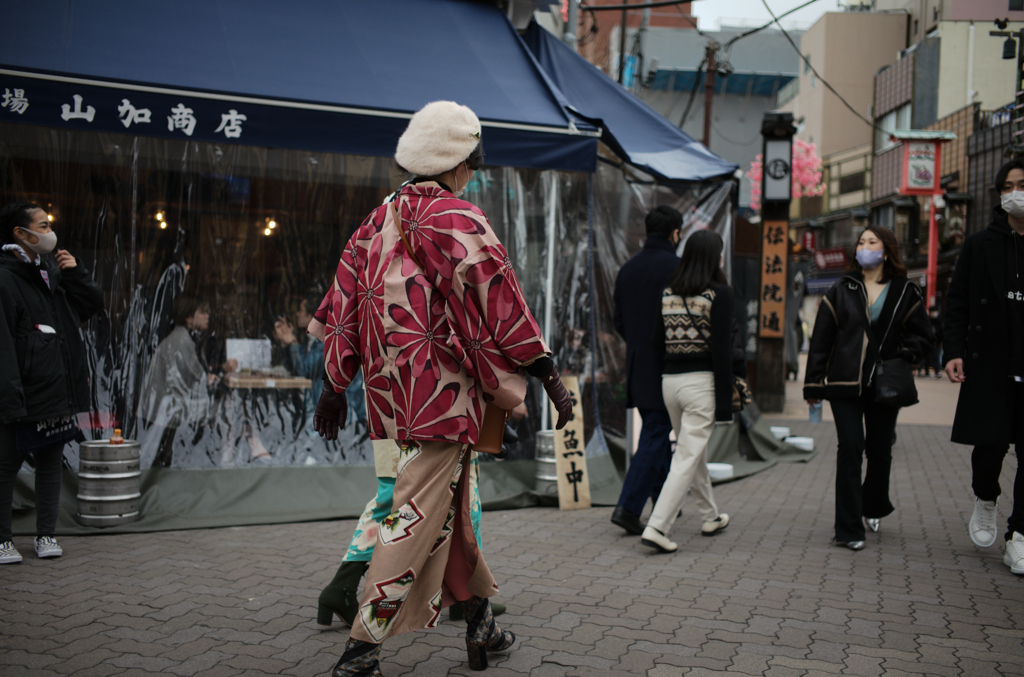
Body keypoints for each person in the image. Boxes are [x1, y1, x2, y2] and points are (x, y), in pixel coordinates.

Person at [307, 101, 573, 675]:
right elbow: (500, 299)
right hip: (445, 394)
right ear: (457, 163)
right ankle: (361, 651)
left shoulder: (377, 218)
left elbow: (343, 301)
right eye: (471, 164)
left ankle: (481, 626)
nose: (471, 174)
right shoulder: (459, 218)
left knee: (449, 506)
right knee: (414, 516)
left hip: (391, 393)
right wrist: (548, 374)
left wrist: (334, 383)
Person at [804, 224, 934, 551]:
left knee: (879, 452)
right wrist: (813, 384)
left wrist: (905, 354)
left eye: (872, 242)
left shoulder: (905, 290)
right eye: (861, 242)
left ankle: (873, 504)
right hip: (844, 383)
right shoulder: (842, 288)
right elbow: (821, 339)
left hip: (884, 384)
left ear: (886, 251)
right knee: (850, 448)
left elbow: (923, 335)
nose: (864, 247)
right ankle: (848, 528)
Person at [0, 202, 104, 564]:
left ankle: (46, 534)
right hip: (22, 394)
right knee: (6, 467)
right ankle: (3, 539)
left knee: (49, 465)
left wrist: (75, 273)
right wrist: (10, 397)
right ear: (21, 233)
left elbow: (90, 304)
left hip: (55, 390)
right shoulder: (6, 277)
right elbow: (5, 344)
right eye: (43, 225)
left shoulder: (51, 272)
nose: (50, 231)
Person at [944, 159, 1024, 575]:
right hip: (992, 362)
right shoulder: (980, 244)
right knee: (990, 446)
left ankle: (1019, 536)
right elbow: (957, 300)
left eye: (1021, 184)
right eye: (1007, 187)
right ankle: (986, 497)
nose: (1014, 193)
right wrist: (953, 350)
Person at [639, 230, 742, 553]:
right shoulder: (720, 294)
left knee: (691, 452)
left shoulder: (668, 293)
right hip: (701, 384)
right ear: (714, 258)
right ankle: (658, 526)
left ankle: (710, 516)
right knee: (686, 456)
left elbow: (657, 342)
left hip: (670, 382)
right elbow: (723, 352)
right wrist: (724, 403)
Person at [609, 206, 682, 536]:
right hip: (668, 365)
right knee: (657, 431)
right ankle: (628, 507)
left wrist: (638, 343)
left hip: (638, 363)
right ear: (675, 233)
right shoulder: (677, 268)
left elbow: (618, 321)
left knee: (657, 430)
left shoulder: (628, 268)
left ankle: (666, 501)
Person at [139, 295, 238, 467]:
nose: (207, 316)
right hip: (166, 411)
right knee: (228, 410)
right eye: (203, 312)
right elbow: (195, 383)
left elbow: (193, 377)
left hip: (165, 408)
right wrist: (219, 373)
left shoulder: (182, 338)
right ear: (188, 317)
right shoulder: (181, 341)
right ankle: (226, 461)